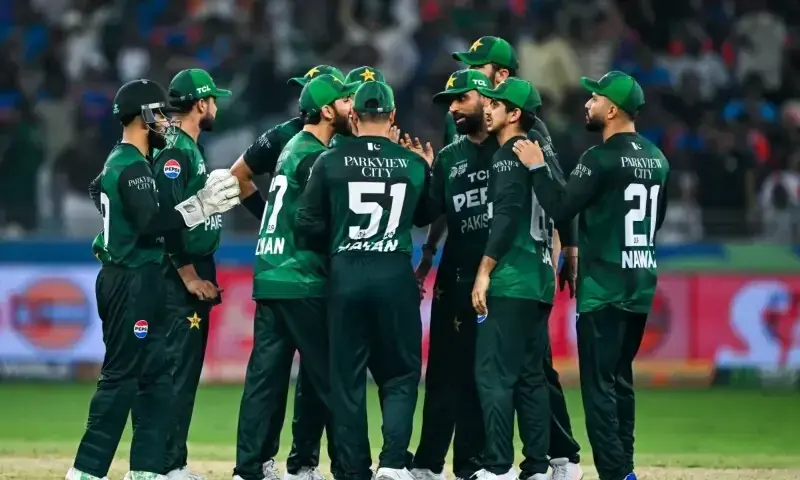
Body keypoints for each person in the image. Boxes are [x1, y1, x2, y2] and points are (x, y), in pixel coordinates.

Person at [417, 37, 582, 480]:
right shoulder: (460, 144)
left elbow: (524, 209)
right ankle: (533, 463)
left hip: (506, 273)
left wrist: (566, 247)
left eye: (477, 75)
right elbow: (448, 204)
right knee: (517, 372)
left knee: (508, 373)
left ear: (502, 83)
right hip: (493, 271)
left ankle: (527, 461)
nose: (460, 104)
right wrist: (430, 252)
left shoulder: (523, 140)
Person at [67, 79, 240, 480]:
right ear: (144, 115)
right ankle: (86, 471)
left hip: (141, 277)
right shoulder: (131, 166)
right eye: (160, 114)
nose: (165, 121)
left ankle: (147, 470)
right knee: (122, 378)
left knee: (157, 377)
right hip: (129, 279)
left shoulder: (125, 162)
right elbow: (152, 224)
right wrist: (200, 206)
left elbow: (100, 192)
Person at [513, 71, 670, 480]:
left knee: (599, 388)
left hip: (603, 289)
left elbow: (561, 208)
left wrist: (536, 167)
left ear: (613, 109)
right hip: (640, 283)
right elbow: (657, 222)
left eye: (595, 97)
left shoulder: (598, 158)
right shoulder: (658, 158)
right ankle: (626, 467)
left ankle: (616, 474)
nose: (588, 103)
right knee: (621, 380)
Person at [294, 80, 434, 480]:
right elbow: (429, 213)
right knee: (401, 375)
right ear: (392, 117)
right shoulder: (410, 163)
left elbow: (305, 224)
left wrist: (342, 233)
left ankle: (353, 469)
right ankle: (392, 464)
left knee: (347, 377)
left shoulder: (330, 160)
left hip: (347, 274)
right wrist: (424, 166)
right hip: (394, 273)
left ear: (352, 116)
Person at [233, 74, 358, 480]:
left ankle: (249, 469)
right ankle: (348, 468)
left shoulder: (292, 148)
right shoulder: (315, 156)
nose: (350, 107)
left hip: (270, 274)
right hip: (303, 277)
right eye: (343, 101)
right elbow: (320, 221)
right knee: (330, 377)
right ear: (326, 110)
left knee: (264, 380)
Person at [470, 77, 571, 480]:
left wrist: (484, 271)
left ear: (514, 114)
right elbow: (561, 209)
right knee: (530, 378)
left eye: (496, 104)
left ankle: (497, 467)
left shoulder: (508, 155)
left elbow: (508, 216)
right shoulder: (536, 157)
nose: (488, 108)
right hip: (539, 280)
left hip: (512, 279)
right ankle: (536, 466)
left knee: (493, 374)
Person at [409, 69, 496, 480]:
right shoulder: (448, 158)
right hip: (453, 278)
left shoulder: (511, 150)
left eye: (461, 99)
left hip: (497, 280)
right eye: (450, 103)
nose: (454, 109)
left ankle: (473, 465)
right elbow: (428, 213)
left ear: (484, 98)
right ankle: (427, 464)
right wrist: (420, 174)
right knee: (442, 373)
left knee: (484, 375)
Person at [152, 68, 231, 480]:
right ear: (201, 104)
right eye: (213, 99)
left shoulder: (187, 148)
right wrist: (188, 276)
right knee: (176, 370)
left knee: (182, 370)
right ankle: (166, 465)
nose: (216, 106)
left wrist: (208, 208)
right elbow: (165, 221)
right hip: (180, 275)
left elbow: (185, 216)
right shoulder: (177, 151)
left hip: (194, 266)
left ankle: (169, 460)